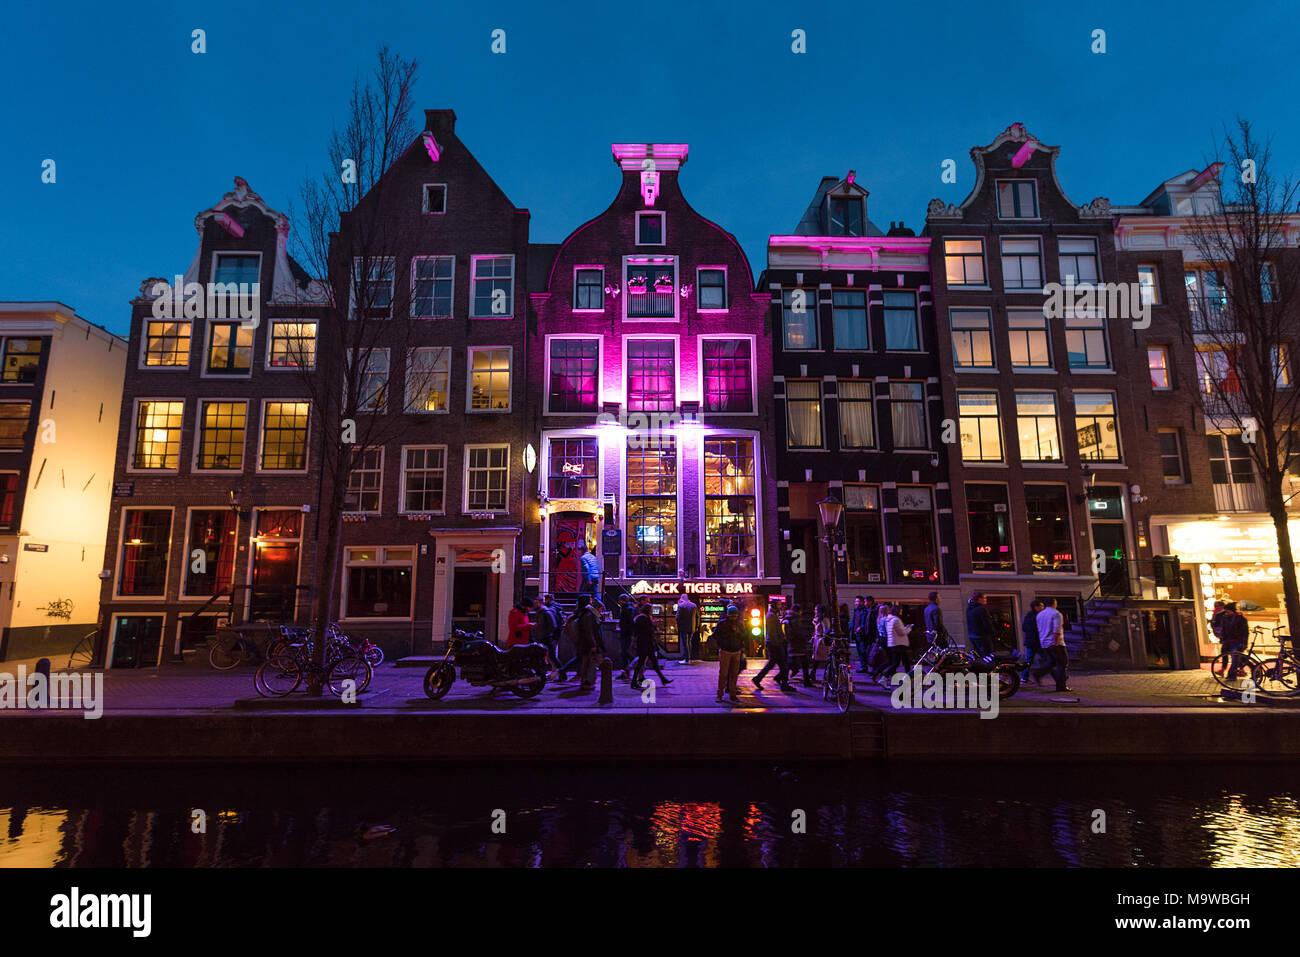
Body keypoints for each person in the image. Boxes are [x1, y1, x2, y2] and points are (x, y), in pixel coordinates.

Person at [631, 596, 672, 690]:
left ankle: (663, 679)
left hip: (645, 644)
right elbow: (646, 631)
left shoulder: (642, 618)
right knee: (642, 663)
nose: (652, 611)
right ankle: (634, 682)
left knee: (651, 663)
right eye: (651, 609)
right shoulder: (643, 619)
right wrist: (654, 627)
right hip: (645, 644)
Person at [1031, 596, 1070, 692]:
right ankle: (1061, 686)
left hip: (1044, 642)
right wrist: (1056, 643)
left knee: (1052, 662)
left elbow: (1039, 629)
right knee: (1062, 663)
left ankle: (1038, 673)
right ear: (1054, 603)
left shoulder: (1040, 615)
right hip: (1056, 643)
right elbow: (1057, 629)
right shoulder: (1056, 614)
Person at [753, 599, 794, 691]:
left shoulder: (772, 615)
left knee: (775, 664)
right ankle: (783, 684)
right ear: (774, 605)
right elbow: (773, 632)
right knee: (783, 664)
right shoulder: (771, 616)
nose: (780, 606)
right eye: (779, 604)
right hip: (775, 643)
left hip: (774, 642)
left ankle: (759, 679)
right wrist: (780, 642)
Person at [712, 605, 746, 704]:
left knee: (733, 674)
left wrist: (738, 634)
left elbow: (744, 636)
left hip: (735, 651)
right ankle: (720, 694)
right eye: (731, 615)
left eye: (735, 615)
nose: (733, 617)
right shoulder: (723, 624)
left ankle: (732, 695)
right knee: (723, 674)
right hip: (726, 650)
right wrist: (722, 644)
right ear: (728, 615)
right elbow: (716, 635)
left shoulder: (739, 624)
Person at [573, 594, 602, 691]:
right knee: (589, 663)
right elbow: (588, 631)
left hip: (584, 643)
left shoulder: (583, 613)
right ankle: (587, 682)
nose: (591, 600)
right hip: (588, 643)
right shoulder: (588, 614)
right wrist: (593, 644)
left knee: (586, 662)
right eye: (589, 598)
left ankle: (585, 682)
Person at [880, 603, 914, 679]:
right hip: (899, 643)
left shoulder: (889, 619)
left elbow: (895, 631)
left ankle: (884, 677)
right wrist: (909, 629)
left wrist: (904, 628)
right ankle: (884, 677)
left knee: (899, 662)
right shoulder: (896, 620)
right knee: (900, 662)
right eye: (900, 610)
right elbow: (901, 632)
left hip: (894, 643)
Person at [1220, 602, 1250, 681]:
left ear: (1232, 610)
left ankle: (1232, 675)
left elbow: (1245, 632)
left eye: (1228, 611)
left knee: (1235, 659)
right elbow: (1223, 630)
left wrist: (1244, 643)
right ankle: (1224, 669)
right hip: (1227, 641)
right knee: (1225, 656)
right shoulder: (1225, 618)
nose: (1226, 612)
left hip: (1237, 641)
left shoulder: (1241, 619)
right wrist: (1222, 639)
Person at [785, 604, 813, 687]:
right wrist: (804, 639)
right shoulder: (795, 619)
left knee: (794, 662)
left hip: (793, 644)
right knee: (804, 663)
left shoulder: (789, 618)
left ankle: (781, 677)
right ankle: (806, 681)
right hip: (798, 644)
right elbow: (798, 632)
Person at [534, 594, 561, 670]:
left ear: (540, 603)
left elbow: (553, 625)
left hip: (546, 638)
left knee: (552, 656)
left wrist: (546, 634)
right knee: (548, 657)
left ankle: (562, 673)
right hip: (543, 637)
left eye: (536, 603)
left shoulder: (546, 612)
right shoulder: (541, 612)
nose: (534, 605)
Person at [1020, 598, 1044, 682]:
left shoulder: (1028, 616)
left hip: (1030, 641)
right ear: (1036, 607)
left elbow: (1024, 628)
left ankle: (1024, 677)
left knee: (1028, 660)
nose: (1043, 607)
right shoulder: (1038, 616)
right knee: (1047, 659)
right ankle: (1057, 678)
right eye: (1041, 606)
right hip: (1037, 641)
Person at [965, 591, 994, 657]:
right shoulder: (981, 609)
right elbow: (987, 624)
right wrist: (992, 633)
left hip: (973, 636)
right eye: (984, 598)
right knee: (986, 656)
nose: (985, 600)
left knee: (978, 655)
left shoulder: (969, 609)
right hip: (982, 637)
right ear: (979, 599)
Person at [810, 605, 832, 684]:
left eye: (816, 610)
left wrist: (823, 639)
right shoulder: (817, 620)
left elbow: (826, 630)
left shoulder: (824, 620)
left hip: (821, 641)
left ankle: (827, 676)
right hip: (817, 640)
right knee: (816, 659)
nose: (815, 611)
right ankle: (813, 673)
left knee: (824, 659)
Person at [616, 595, 636, 679]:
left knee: (624, 652)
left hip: (626, 633)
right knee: (624, 652)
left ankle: (631, 666)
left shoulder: (626, 609)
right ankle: (627, 670)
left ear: (621, 600)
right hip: (627, 633)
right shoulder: (629, 608)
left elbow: (629, 622)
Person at [676, 593, 699, 664]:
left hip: (683, 627)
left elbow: (677, 617)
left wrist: (678, 626)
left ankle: (687, 659)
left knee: (685, 643)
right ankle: (689, 658)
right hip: (692, 627)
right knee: (689, 642)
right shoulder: (694, 605)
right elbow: (697, 617)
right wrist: (696, 626)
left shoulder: (681, 606)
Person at [850, 597, 871, 674]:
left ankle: (864, 666)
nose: (856, 603)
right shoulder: (856, 611)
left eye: (858, 601)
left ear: (862, 602)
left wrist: (860, 627)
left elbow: (864, 622)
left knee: (862, 650)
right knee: (860, 651)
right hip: (856, 633)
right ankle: (863, 666)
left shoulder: (864, 611)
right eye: (855, 601)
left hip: (861, 634)